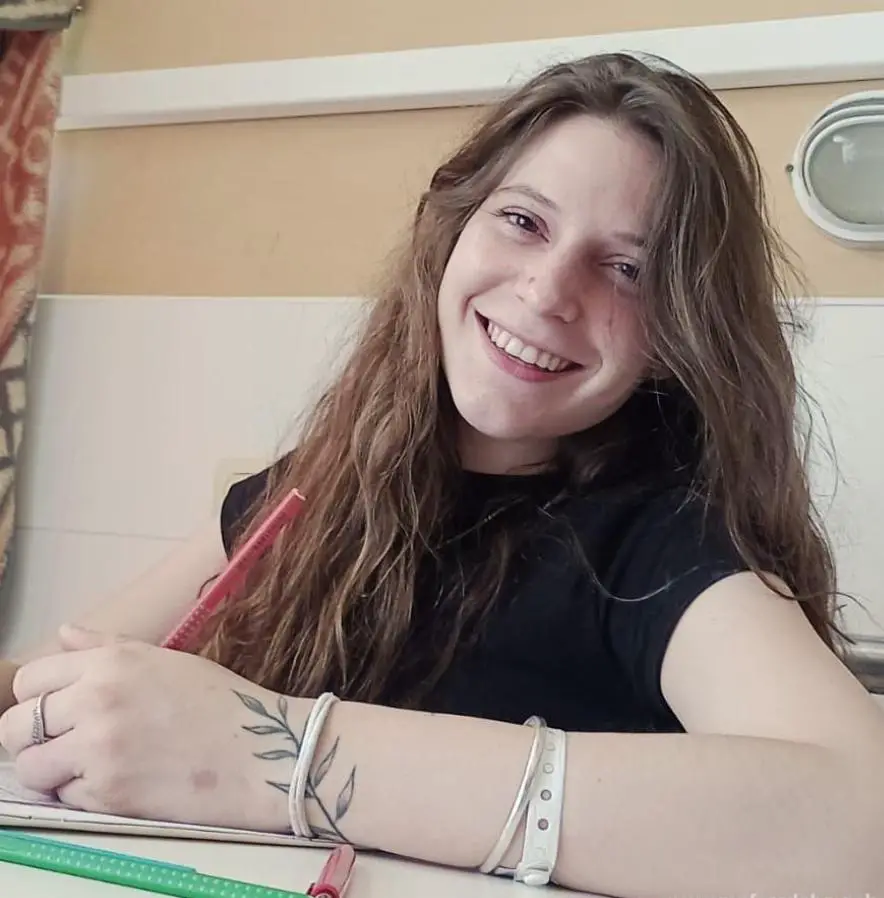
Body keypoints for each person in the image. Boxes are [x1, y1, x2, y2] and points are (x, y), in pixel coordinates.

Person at [1, 51, 883, 897]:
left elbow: (862, 824)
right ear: (450, 231)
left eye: (626, 268)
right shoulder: (310, 489)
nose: (547, 291)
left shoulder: (665, 548)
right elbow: (41, 685)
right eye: (524, 221)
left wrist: (270, 756)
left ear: (676, 335)